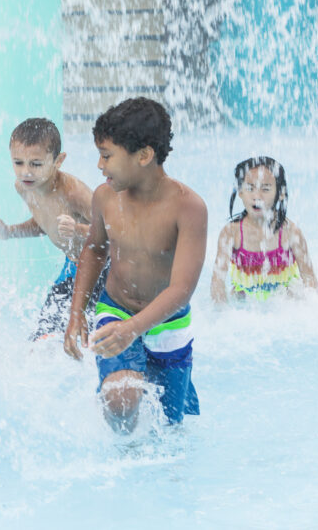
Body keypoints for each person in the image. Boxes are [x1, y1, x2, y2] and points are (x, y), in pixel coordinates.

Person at [63, 97, 206, 432]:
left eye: (107, 155)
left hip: (167, 320)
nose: (99, 165)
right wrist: (76, 313)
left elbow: (182, 289)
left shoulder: (188, 208)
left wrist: (134, 330)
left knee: (169, 424)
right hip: (117, 309)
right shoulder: (105, 197)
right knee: (121, 399)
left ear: (143, 156)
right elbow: (95, 251)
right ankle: (122, 456)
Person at [0, 117, 106, 340]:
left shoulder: (73, 193)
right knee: (42, 338)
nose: (25, 172)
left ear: (58, 161)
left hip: (102, 269)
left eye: (36, 164)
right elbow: (44, 223)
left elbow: (114, 232)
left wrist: (78, 229)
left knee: (84, 337)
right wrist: (9, 231)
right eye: (18, 163)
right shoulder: (24, 187)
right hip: (72, 266)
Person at [210, 156, 318, 302]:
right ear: (240, 192)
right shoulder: (231, 233)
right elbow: (217, 282)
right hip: (245, 304)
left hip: (285, 302)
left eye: (265, 189)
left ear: (280, 194)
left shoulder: (291, 232)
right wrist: (221, 314)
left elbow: (310, 279)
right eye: (250, 188)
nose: (257, 196)